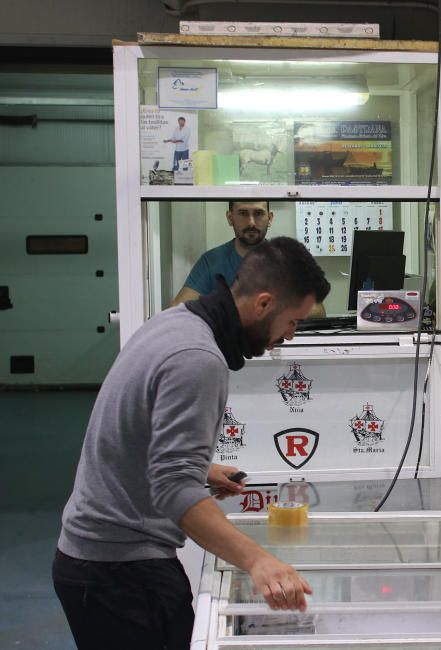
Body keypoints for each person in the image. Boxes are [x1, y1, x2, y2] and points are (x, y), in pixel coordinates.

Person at [52, 237, 331, 650]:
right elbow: (173, 489)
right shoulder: (197, 357)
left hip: (97, 563)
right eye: (292, 321)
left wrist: (201, 469)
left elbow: (138, 433)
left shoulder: (177, 321)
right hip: (119, 574)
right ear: (264, 304)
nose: (290, 336)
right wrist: (260, 561)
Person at [170, 200, 274, 306]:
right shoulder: (212, 262)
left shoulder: (284, 262)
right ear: (230, 218)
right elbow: (175, 313)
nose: (251, 222)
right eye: (243, 213)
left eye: (258, 213)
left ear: (270, 218)